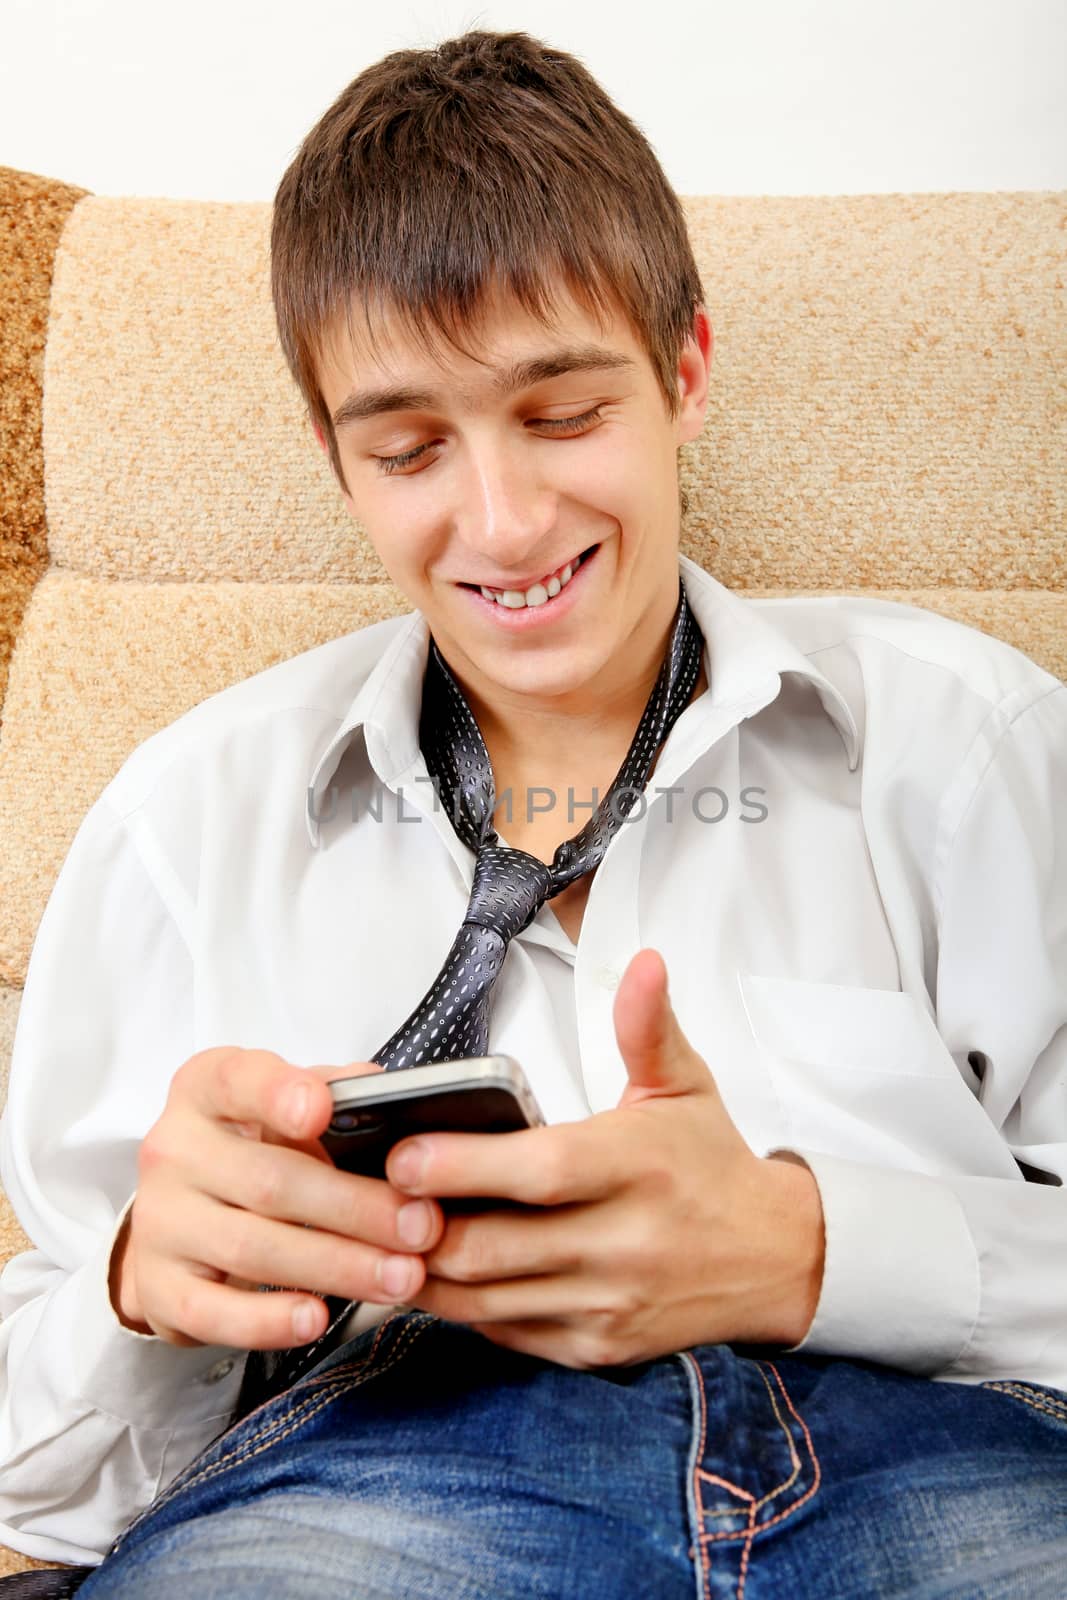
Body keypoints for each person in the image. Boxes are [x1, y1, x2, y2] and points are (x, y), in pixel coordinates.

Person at [1, 26, 1066, 1600]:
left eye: (564, 413)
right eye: (410, 446)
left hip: (948, 1442)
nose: (501, 522)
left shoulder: (969, 746)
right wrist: (142, 1293)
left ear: (684, 372)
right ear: (333, 459)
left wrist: (815, 1247)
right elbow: (42, 1466)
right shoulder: (187, 818)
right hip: (386, 1470)